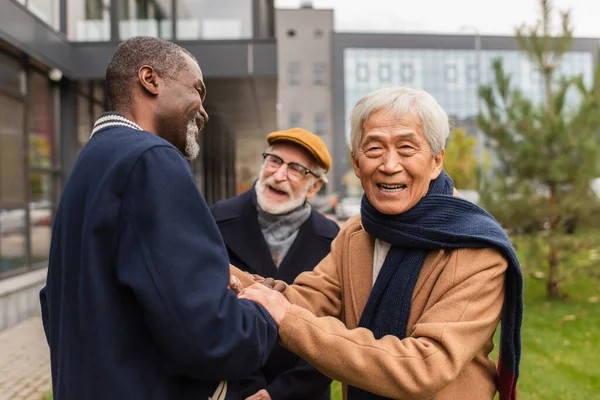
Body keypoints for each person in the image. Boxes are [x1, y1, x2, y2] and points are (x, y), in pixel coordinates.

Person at [237, 87, 523, 400]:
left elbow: (423, 367)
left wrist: (288, 320)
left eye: (406, 148)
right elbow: (308, 299)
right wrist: (223, 276)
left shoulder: (478, 250)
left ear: (436, 160)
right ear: (356, 163)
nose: (389, 165)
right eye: (374, 149)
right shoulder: (357, 231)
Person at [40, 36, 278, 400]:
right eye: (197, 89)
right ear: (150, 80)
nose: (204, 111)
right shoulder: (151, 159)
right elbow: (209, 336)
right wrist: (262, 311)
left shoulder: (90, 165)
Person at [211, 128, 339, 400]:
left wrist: (278, 394)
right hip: (230, 387)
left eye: (295, 169)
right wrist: (248, 388)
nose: (279, 175)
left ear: (314, 186)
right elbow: (209, 313)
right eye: (274, 161)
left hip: (303, 393)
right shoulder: (216, 220)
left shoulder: (333, 241)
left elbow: (335, 328)